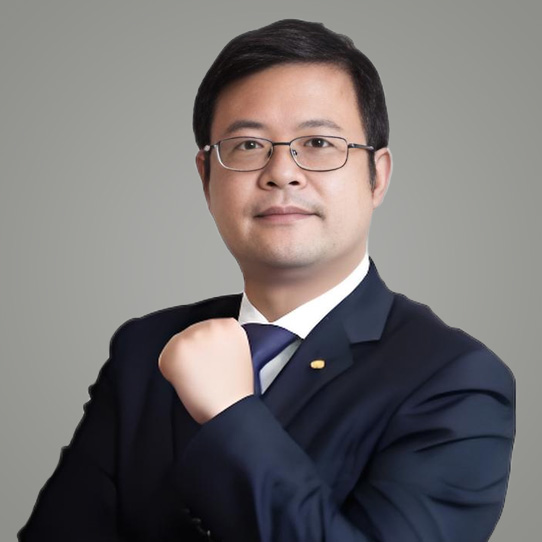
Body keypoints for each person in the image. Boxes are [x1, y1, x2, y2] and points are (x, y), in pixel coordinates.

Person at [18, 19, 515, 542]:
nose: (282, 172)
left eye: (318, 142)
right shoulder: (145, 350)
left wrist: (232, 413)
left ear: (378, 176)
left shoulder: (455, 380)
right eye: (249, 145)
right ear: (205, 177)